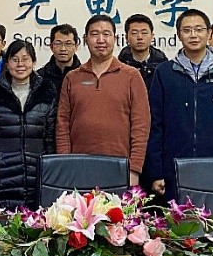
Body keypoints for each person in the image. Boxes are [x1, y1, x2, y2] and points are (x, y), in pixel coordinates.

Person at [144, 9, 213, 202]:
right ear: (178, 35)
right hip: (174, 169)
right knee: (177, 220)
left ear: (209, 34)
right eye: (187, 30)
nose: (193, 35)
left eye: (199, 29)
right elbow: (155, 125)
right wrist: (155, 172)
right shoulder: (164, 73)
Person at [57, 15, 151, 186]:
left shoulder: (131, 76)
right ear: (85, 39)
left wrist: (134, 168)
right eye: (94, 34)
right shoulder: (72, 77)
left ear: (115, 39)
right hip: (78, 167)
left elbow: (141, 126)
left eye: (106, 34)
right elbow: (62, 124)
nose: (101, 40)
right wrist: (65, 163)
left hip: (120, 168)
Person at [0, 39, 57, 209]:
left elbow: (51, 141)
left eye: (25, 59)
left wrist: (50, 180)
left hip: (37, 178)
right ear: (7, 63)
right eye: (15, 59)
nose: (20, 64)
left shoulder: (46, 94)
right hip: (2, 178)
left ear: (33, 62)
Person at [117, 13, 168, 90]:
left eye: (144, 33)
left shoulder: (163, 66)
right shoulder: (119, 67)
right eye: (134, 33)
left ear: (152, 37)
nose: (140, 37)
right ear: (126, 38)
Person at [38, 23, 81, 96]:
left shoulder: (85, 76)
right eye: (58, 43)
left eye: (68, 44)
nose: (63, 49)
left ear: (76, 47)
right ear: (51, 46)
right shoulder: (40, 77)